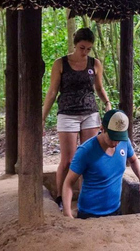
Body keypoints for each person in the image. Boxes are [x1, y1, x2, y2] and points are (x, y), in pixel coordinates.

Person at [42, 28, 112, 211]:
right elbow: (51, 92)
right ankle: (60, 197)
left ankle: (84, 198)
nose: (85, 52)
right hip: (67, 114)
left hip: (90, 113)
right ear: (75, 44)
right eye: (82, 48)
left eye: (88, 49)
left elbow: (99, 88)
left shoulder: (94, 63)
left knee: (88, 157)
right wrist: (42, 118)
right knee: (68, 160)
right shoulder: (60, 64)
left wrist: (107, 102)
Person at [62, 109, 140, 219]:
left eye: (119, 139)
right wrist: (67, 212)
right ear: (102, 128)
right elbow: (69, 182)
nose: (116, 143)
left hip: (115, 210)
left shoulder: (124, 142)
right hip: (90, 214)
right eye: (112, 138)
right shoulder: (85, 151)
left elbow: (134, 160)